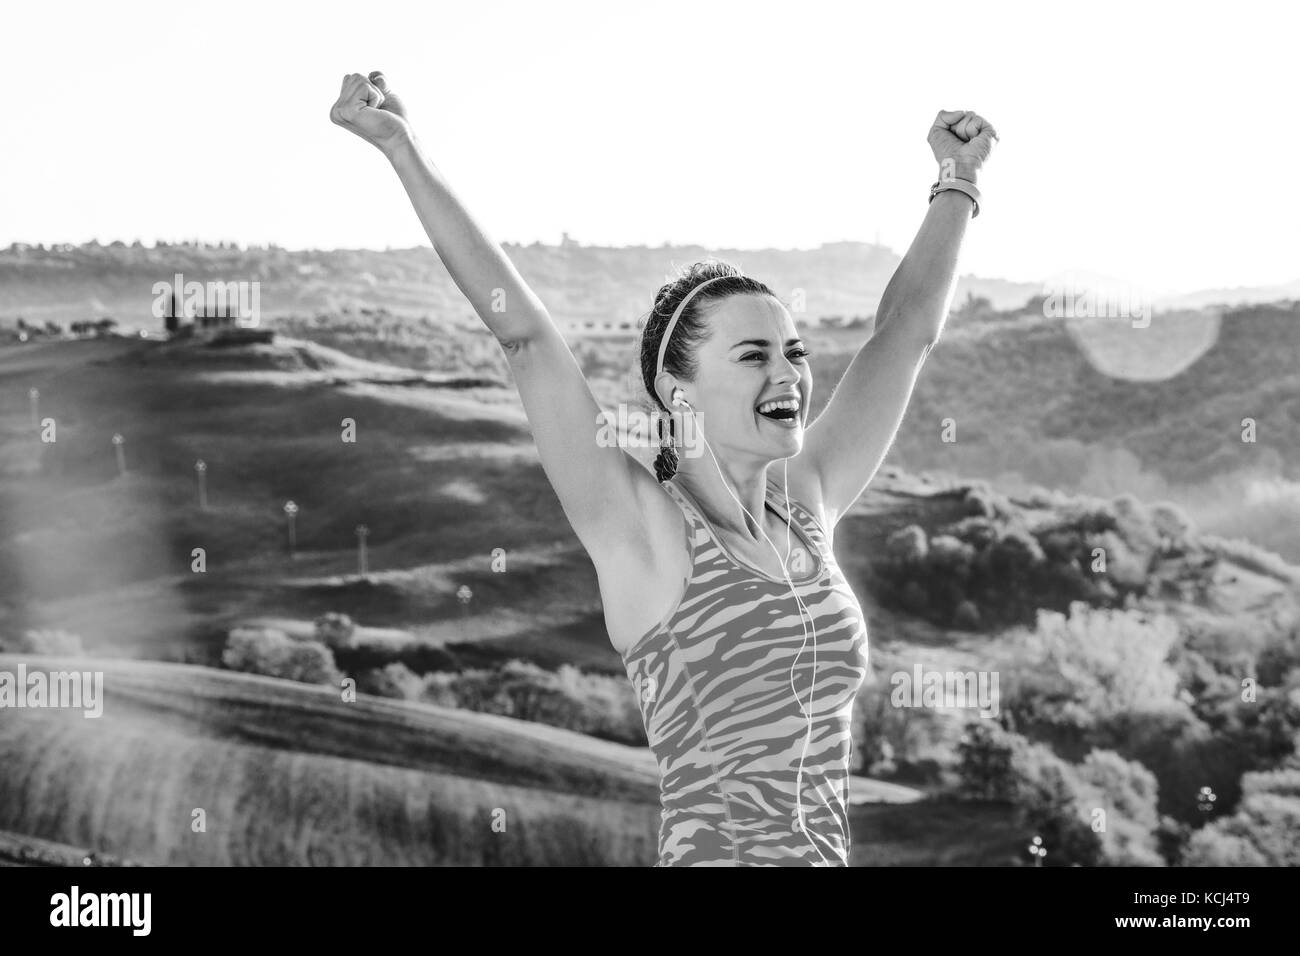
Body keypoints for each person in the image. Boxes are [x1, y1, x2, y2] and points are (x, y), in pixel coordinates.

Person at [330, 71, 997, 865]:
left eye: (794, 353)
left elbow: (904, 334)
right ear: (679, 390)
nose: (788, 375)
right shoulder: (645, 529)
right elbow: (528, 341)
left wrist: (957, 180)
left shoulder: (806, 503)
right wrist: (405, 151)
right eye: (753, 357)